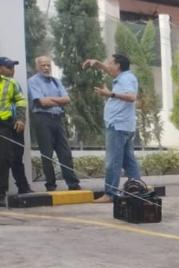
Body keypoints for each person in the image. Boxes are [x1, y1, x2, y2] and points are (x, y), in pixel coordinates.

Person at [82, 53, 141, 203]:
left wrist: (110, 93)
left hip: (118, 125)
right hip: (123, 125)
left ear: (118, 66)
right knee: (129, 161)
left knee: (113, 161)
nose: (107, 67)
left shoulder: (126, 79)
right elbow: (109, 71)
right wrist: (98, 64)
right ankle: (138, 189)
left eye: (110, 63)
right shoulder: (124, 76)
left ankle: (110, 193)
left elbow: (132, 97)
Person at [28, 55, 80, 192]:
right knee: (47, 154)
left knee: (65, 153)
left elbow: (67, 99)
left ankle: (73, 184)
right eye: (43, 65)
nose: (46, 68)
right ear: (37, 67)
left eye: (48, 65)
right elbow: (42, 102)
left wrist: (50, 99)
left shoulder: (56, 82)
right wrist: (58, 100)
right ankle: (50, 185)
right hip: (42, 119)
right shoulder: (33, 81)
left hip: (57, 119)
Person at [0, 57, 31, 196]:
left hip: (13, 124)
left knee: (17, 156)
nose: (13, 70)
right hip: (3, 126)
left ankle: (23, 187)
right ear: (0, 68)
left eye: (13, 67)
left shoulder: (12, 83)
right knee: (4, 158)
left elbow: (20, 101)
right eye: (9, 67)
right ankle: (2, 192)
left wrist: (20, 118)